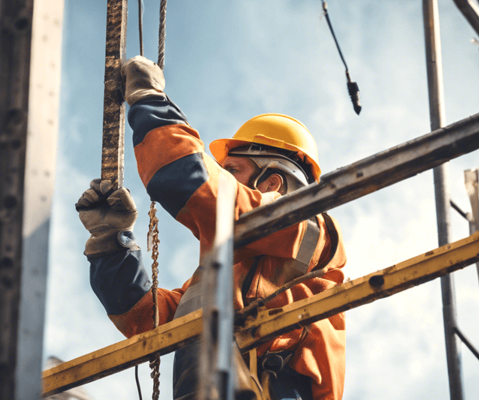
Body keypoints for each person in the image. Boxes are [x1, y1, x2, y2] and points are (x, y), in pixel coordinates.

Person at [76, 56, 347, 400]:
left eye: (232, 170)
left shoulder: (316, 233)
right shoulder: (220, 282)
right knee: (199, 313)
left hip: (276, 390)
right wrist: (111, 243)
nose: (222, 178)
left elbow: (194, 185)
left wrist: (151, 103)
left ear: (272, 182)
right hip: (221, 384)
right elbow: (146, 320)